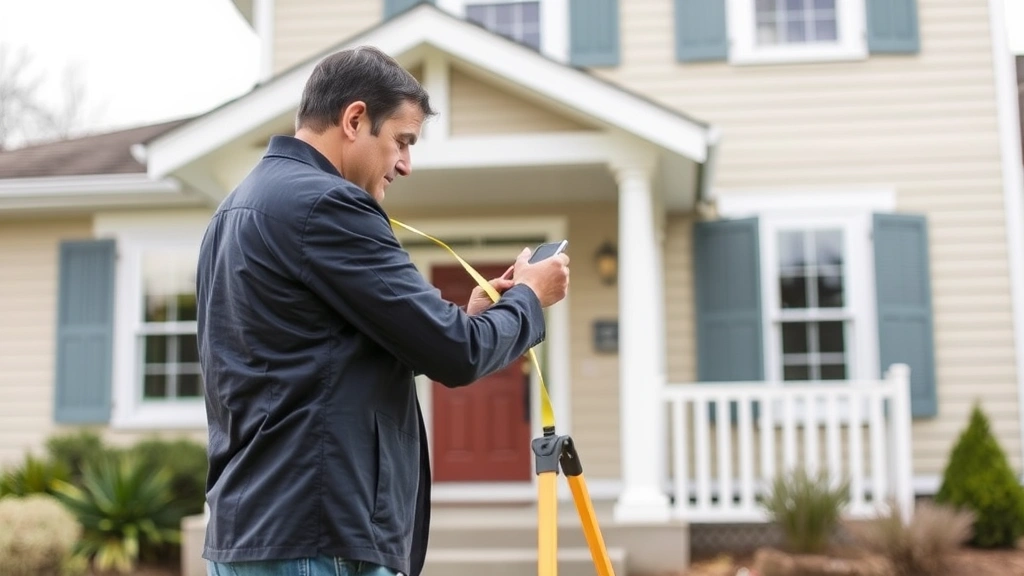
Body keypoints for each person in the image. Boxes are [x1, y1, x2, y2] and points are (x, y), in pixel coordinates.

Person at [195, 45, 570, 576]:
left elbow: (315, 356)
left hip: (254, 530)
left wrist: (469, 315)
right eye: (402, 141)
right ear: (354, 119)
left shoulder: (234, 211)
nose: (406, 165)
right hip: (319, 537)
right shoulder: (327, 204)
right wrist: (531, 299)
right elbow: (457, 355)